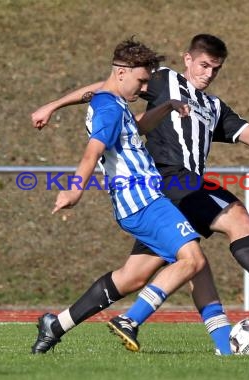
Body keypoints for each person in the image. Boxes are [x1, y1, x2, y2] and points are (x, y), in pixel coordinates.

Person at [31, 34, 249, 355]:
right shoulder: (162, 80)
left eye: (215, 69)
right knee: (234, 220)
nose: (208, 73)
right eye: (203, 65)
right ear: (187, 59)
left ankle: (57, 324)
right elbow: (106, 89)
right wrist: (54, 104)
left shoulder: (214, 107)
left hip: (169, 192)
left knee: (138, 276)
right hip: (168, 180)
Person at [32, 37, 211, 354]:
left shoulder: (111, 101)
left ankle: (55, 325)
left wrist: (166, 107)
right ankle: (130, 320)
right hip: (144, 202)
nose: (143, 89)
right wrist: (74, 189)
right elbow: (92, 153)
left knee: (130, 279)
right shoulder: (108, 109)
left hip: (137, 204)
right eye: (141, 81)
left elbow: (133, 128)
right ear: (122, 73)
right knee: (193, 260)